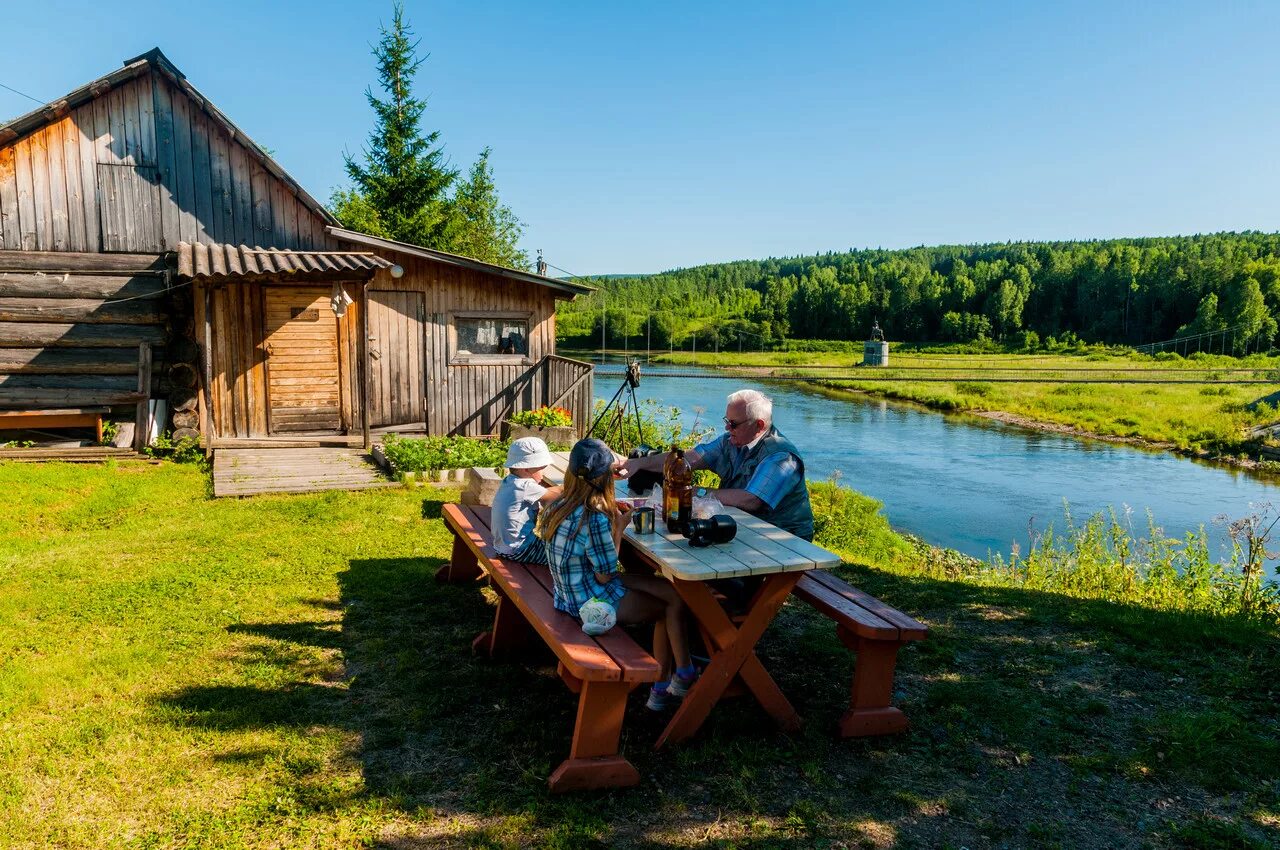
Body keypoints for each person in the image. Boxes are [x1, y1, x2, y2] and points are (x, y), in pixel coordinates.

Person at [536, 438, 697, 710]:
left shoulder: (557, 504)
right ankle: (666, 684)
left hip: (567, 592)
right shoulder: (593, 517)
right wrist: (619, 530)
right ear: (604, 478)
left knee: (671, 590)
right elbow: (606, 575)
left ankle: (681, 673)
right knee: (666, 608)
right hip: (590, 602)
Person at [619, 388, 814, 540]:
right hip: (745, 526)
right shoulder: (731, 440)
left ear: (759, 425)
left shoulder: (781, 456)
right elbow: (691, 458)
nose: (727, 428)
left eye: (734, 424)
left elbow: (751, 500)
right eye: (726, 421)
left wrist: (698, 493)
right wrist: (638, 463)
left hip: (784, 538)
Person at [491, 437, 563, 564]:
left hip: (502, 546)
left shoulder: (511, 481)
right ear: (526, 469)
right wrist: (575, 485)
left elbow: (549, 493)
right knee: (563, 557)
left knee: (553, 547)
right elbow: (555, 497)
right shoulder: (525, 486)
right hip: (520, 550)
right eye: (541, 468)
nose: (543, 473)